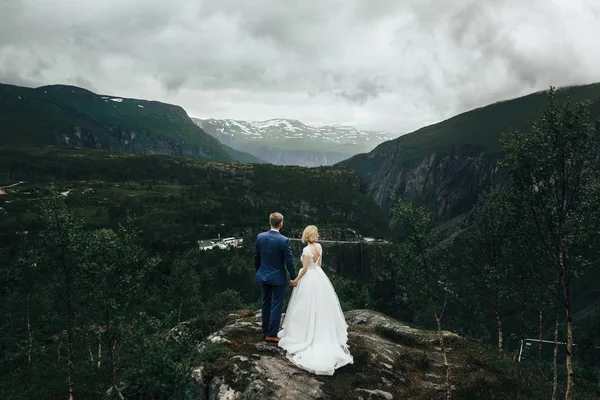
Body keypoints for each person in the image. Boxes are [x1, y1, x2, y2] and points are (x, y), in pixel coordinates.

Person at [277, 225, 353, 375]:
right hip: (319, 276)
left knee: (305, 306)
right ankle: (321, 328)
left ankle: (304, 332)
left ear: (306, 235)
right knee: (321, 305)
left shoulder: (306, 250)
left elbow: (305, 269)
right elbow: (319, 265)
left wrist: (296, 280)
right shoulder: (319, 247)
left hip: (308, 277)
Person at [254, 212, 297, 343]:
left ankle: (265, 329)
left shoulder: (260, 237)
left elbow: (256, 257)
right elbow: (289, 261)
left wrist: (259, 271)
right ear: (281, 224)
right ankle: (272, 333)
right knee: (276, 304)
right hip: (278, 278)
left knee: (266, 302)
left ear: (270, 222)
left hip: (263, 275)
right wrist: (293, 277)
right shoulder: (284, 240)